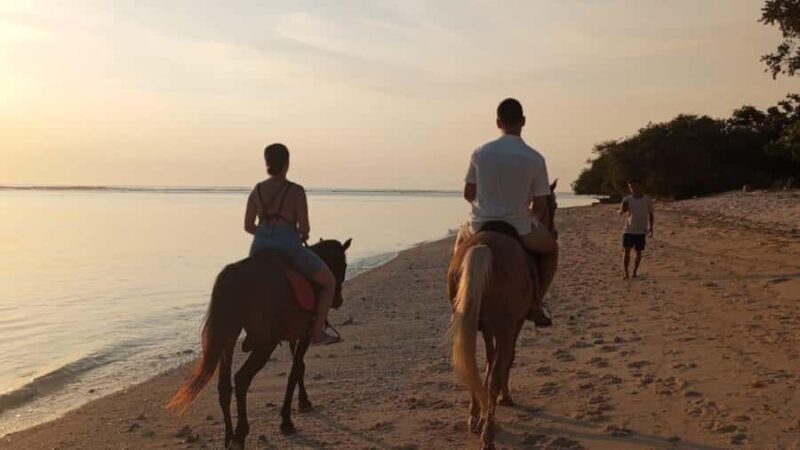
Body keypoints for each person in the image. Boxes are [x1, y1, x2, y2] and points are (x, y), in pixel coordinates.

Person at [457, 98, 558, 327]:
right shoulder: (535, 158)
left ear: (498, 122)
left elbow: (468, 194)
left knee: (459, 249)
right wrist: (525, 214)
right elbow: (540, 205)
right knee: (552, 250)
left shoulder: (480, 153)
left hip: (480, 224)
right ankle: (536, 302)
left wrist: (486, 204)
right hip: (519, 226)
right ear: (523, 121)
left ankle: (456, 304)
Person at [244, 143, 340, 345]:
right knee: (329, 283)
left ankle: (251, 331)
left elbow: (247, 226)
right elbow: (305, 228)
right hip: (288, 246)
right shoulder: (296, 191)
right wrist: (296, 233)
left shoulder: (257, 190)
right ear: (287, 163)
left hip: (259, 247)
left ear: (267, 163)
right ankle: (316, 333)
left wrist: (265, 233)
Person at [618, 178, 654, 279]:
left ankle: (634, 272)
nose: (633, 189)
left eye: (634, 186)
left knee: (638, 252)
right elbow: (621, 212)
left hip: (641, 230)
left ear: (639, 186)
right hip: (629, 230)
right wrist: (622, 209)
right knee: (627, 251)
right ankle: (626, 273)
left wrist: (651, 228)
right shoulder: (627, 199)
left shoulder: (647, 199)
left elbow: (651, 214)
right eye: (631, 187)